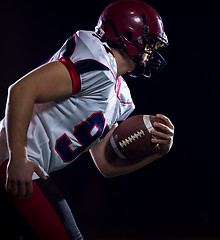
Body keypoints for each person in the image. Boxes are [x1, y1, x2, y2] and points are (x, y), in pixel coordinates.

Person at [0, 0, 174, 239]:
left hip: (26, 168)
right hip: (12, 162)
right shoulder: (96, 61)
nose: (151, 53)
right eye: (150, 44)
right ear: (129, 36)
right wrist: (18, 158)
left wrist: (156, 151)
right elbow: (20, 90)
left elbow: (106, 165)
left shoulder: (121, 97)